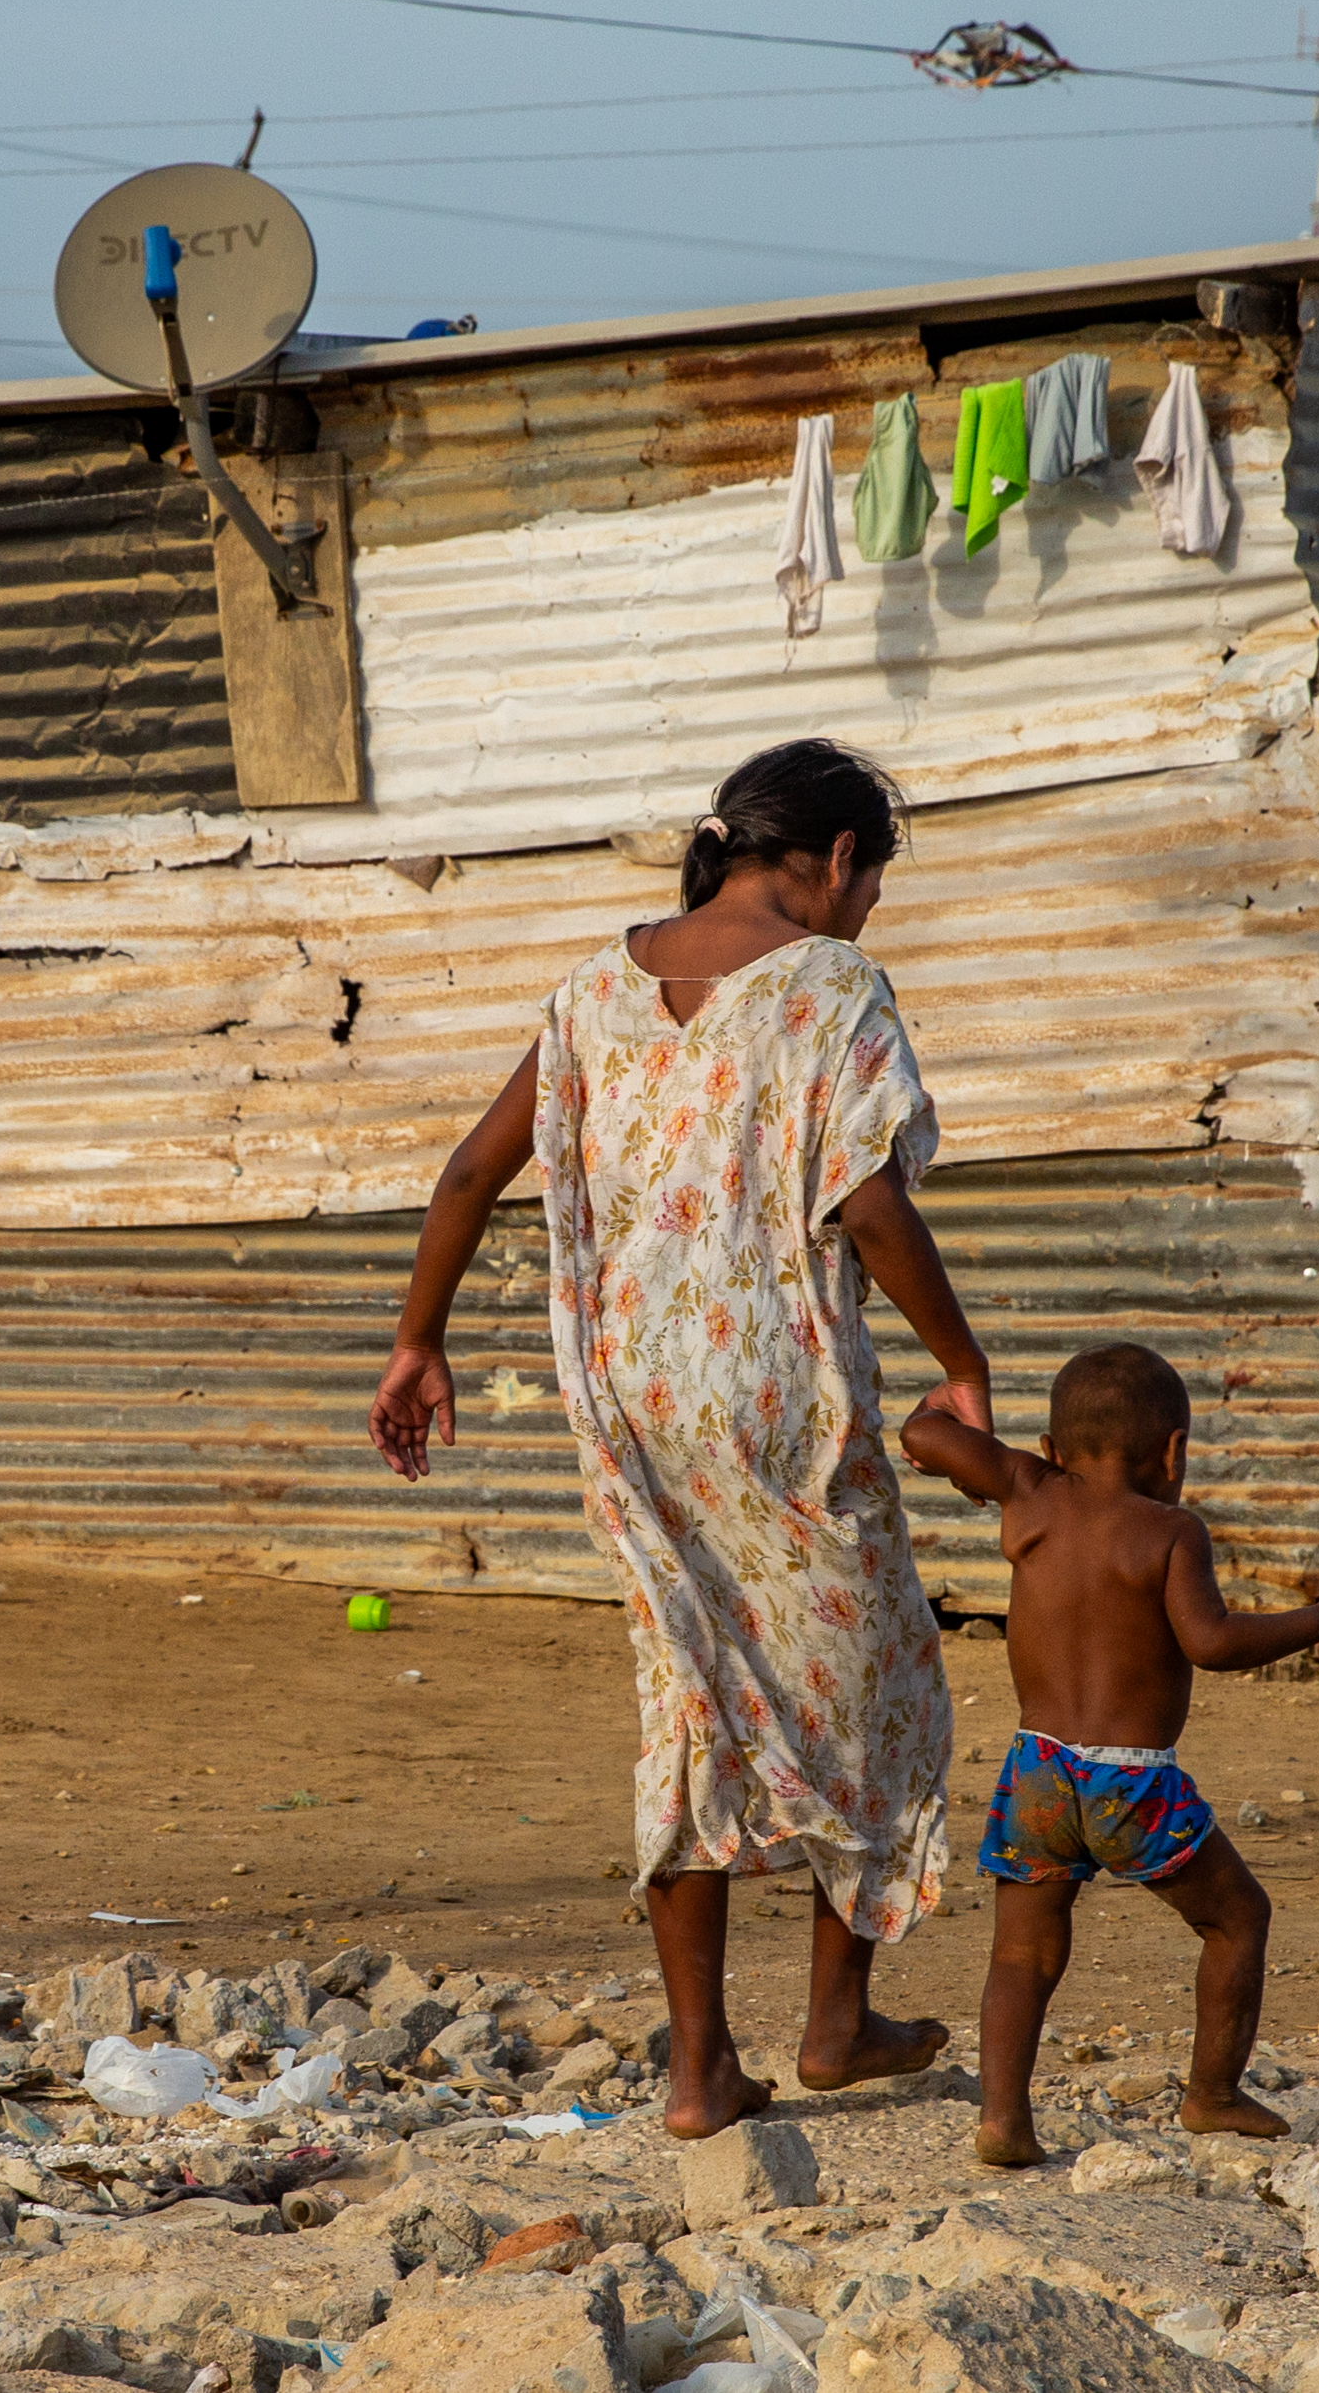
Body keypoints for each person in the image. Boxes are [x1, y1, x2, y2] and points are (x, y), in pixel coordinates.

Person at [367, 738, 989, 2137]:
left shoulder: (595, 986)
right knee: (877, 1672)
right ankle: (834, 2019)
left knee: (693, 1695)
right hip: (779, 1402)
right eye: (872, 882)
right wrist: (964, 1361)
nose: (868, 910)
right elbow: (871, 1209)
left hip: (632, 1402)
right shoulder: (834, 990)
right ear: (833, 862)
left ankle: (700, 2063)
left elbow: (472, 1167)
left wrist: (419, 1340)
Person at [896, 1342, 1319, 2170]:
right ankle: (1213, 2094)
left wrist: (952, 1406)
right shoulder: (1170, 1532)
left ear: (1052, 1448)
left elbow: (920, 1435)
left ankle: (1004, 2120)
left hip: (1037, 1768)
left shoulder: (1027, 1488)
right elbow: (1213, 1642)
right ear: (1175, 1451)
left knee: (1022, 1951)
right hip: (1131, 1781)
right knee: (1237, 1919)